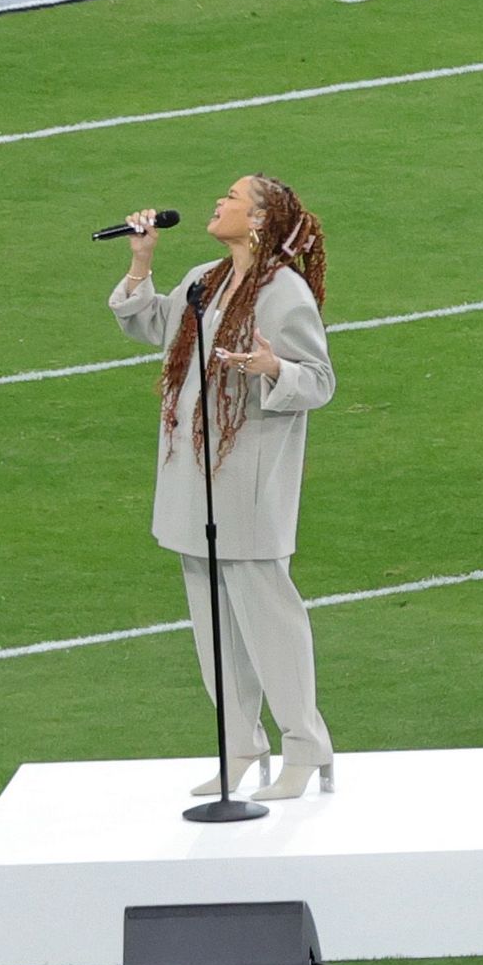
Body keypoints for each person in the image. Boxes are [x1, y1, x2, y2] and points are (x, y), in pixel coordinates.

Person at [106, 175, 338, 799]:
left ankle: (306, 743)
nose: (219, 203)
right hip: (194, 474)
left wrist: (273, 368)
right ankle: (239, 742)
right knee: (211, 620)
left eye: (233, 198)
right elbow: (154, 325)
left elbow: (318, 380)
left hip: (248, 479)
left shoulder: (283, 293)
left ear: (260, 219)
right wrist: (142, 260)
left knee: (269, 619)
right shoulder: (207, 277)